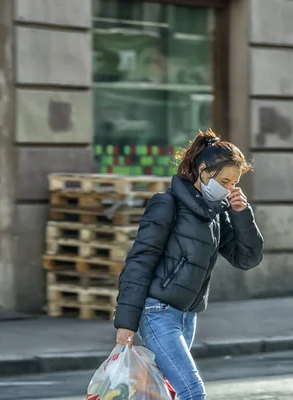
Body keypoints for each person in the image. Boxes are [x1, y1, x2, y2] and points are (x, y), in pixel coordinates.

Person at [113, 129, 264, 400]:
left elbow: (247, 259)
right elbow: (140, 261)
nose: (230, 189)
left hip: (187, 317)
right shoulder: (166, 205)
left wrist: (242, 216)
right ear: (204, 171)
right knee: (191, 392)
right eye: (226, 181)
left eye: (234, 183)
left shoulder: (217, 214)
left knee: (162, 393)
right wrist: (126, 322)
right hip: (157, 312)